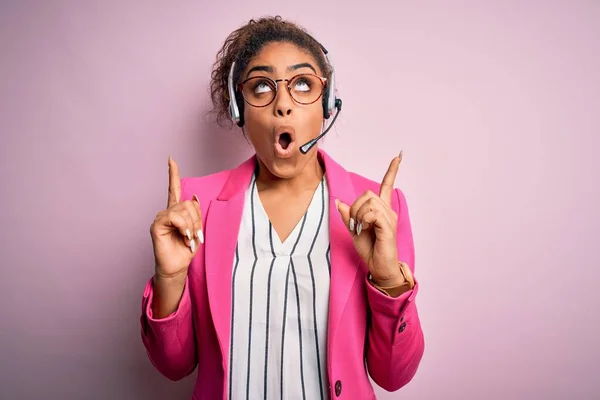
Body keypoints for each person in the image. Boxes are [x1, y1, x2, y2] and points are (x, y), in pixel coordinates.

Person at [140, 16, 424, 400]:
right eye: (261, 87)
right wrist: (169, 280)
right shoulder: (194, 207)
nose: (283, 106)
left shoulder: (379, 209)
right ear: (240, 109)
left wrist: (389, 280)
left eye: (303, 84)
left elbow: (394, 376)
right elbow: (174, 367)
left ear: (326, 103)